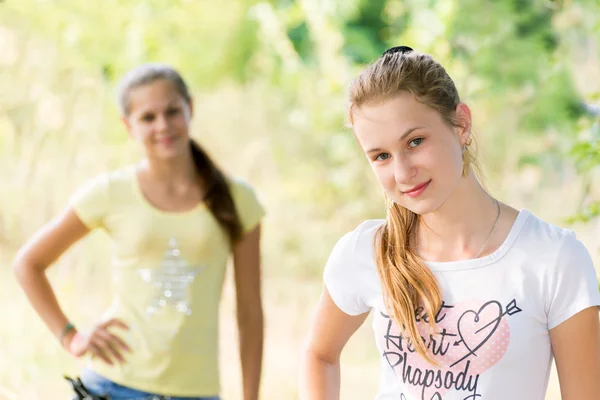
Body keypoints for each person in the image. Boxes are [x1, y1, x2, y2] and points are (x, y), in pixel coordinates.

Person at [300, 46, 600, 400]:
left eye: (415, 142)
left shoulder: (553, 259)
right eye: (381, 156)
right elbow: (319, 354)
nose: (402, 172)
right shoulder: (367, 252)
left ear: (461, 124)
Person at [13, 63, 265, 400]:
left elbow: (250, 314)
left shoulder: (238, 199)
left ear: (190, 108)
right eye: (148, 117)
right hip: (112, 386)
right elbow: (28, 263)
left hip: (196, 392)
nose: (163, 125)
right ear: (128, 125)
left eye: (172, 111)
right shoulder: (109, 193)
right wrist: (71, 337)